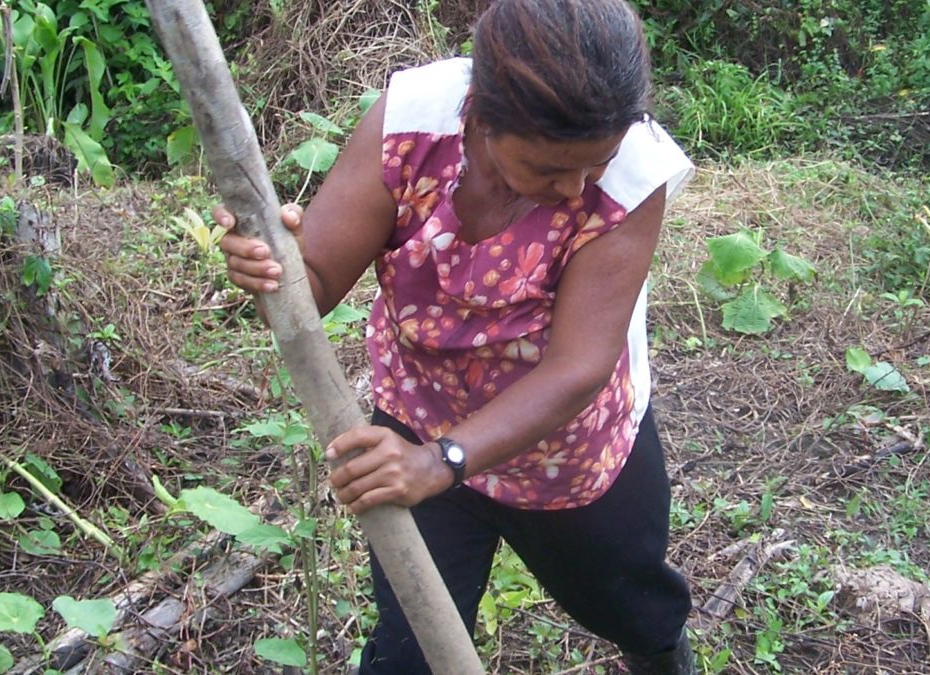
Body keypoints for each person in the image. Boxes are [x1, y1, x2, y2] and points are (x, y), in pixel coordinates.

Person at [216, 0, 697, 672]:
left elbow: (577, 367)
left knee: (633, 608)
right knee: (411, 647)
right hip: (419, 415)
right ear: (481, 117)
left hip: (567, 449)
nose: (576, 187)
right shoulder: (412, 124)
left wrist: (440, 461)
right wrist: (273, 271)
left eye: (596, 163)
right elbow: (316, 281)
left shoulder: (632, 173)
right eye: (548, 168)